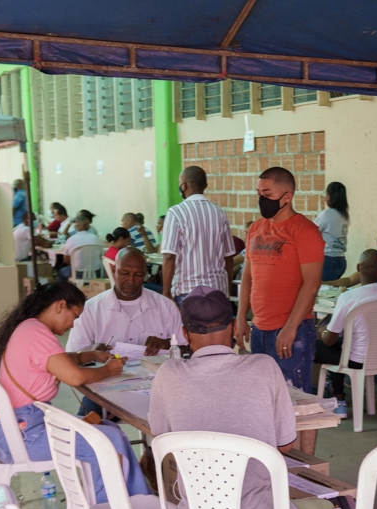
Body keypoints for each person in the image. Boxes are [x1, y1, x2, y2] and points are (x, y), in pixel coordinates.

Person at [149, 286, 335, 509]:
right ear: (235, 328)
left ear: (185, 335)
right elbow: (284, 444)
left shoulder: (168, 375)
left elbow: (162, 438)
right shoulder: (264, 368)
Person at [0, 281, 151, 504]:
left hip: (18, 427)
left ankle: (137, 503)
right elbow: (75, 377)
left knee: (111, 429)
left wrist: (90, 356)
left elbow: (57, 362)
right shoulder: (37, 334)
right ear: (60, 306)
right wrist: (108, 370)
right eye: (74, 316)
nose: (73, 325)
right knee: (107, 439)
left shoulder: (29, 328)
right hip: (25, 435)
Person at [236, 167, 324, 402]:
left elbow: (311, 283)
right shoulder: (255, 228)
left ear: (287, 196)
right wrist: (240, 317)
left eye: (267, 193)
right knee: (264, 400)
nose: (261, 199)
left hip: (291, 330)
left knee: (297, 403)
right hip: (259, 329)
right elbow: (247, 277)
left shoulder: (305, 231)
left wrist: (290, 327)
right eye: (258, 192)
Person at [66, 247, 183, 417]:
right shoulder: (91, 309)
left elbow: (185, 350)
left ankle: (155, 444)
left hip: (157, 386)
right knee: (88, 426)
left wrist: (167, 344)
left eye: (138, 275)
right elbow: (71, 357)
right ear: (114, 270)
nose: (131, 280)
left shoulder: (165, 306)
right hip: (104, 386)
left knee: (174, 421)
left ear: (146, 274)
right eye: (124, 273)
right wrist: (90, 352)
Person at [314, 249, 377, 417]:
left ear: (358, 267)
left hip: (356, 361)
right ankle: (339, 395)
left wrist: (323, 332)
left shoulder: (348, 297)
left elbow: (330, 340)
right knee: (343, 345)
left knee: (320, 346)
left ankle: (339, 400)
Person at [161, 166, 235, 304]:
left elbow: (168, 256)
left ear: (183, 186)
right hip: (218, 291)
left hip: (187, 292)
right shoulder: (219, 213)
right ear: (205, 185)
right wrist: (226, 289)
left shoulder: (175, 213)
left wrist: (166, 293)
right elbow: (229, 257)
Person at [315, 182, 350, 281]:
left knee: (321, 290)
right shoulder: (345, 215)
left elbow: (311, 231)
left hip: (328, 259)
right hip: (341, 260)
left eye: (326, 194)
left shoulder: (327, 214)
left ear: (329, 196)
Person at [59, 215, 103, 281]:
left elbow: (66, 260)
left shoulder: (71, 239)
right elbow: (100, 257)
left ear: (76, 227)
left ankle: (67, 290)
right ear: (88, 226)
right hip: (97, 273)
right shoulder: (96, 239)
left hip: (78, 273)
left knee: (62, 271)